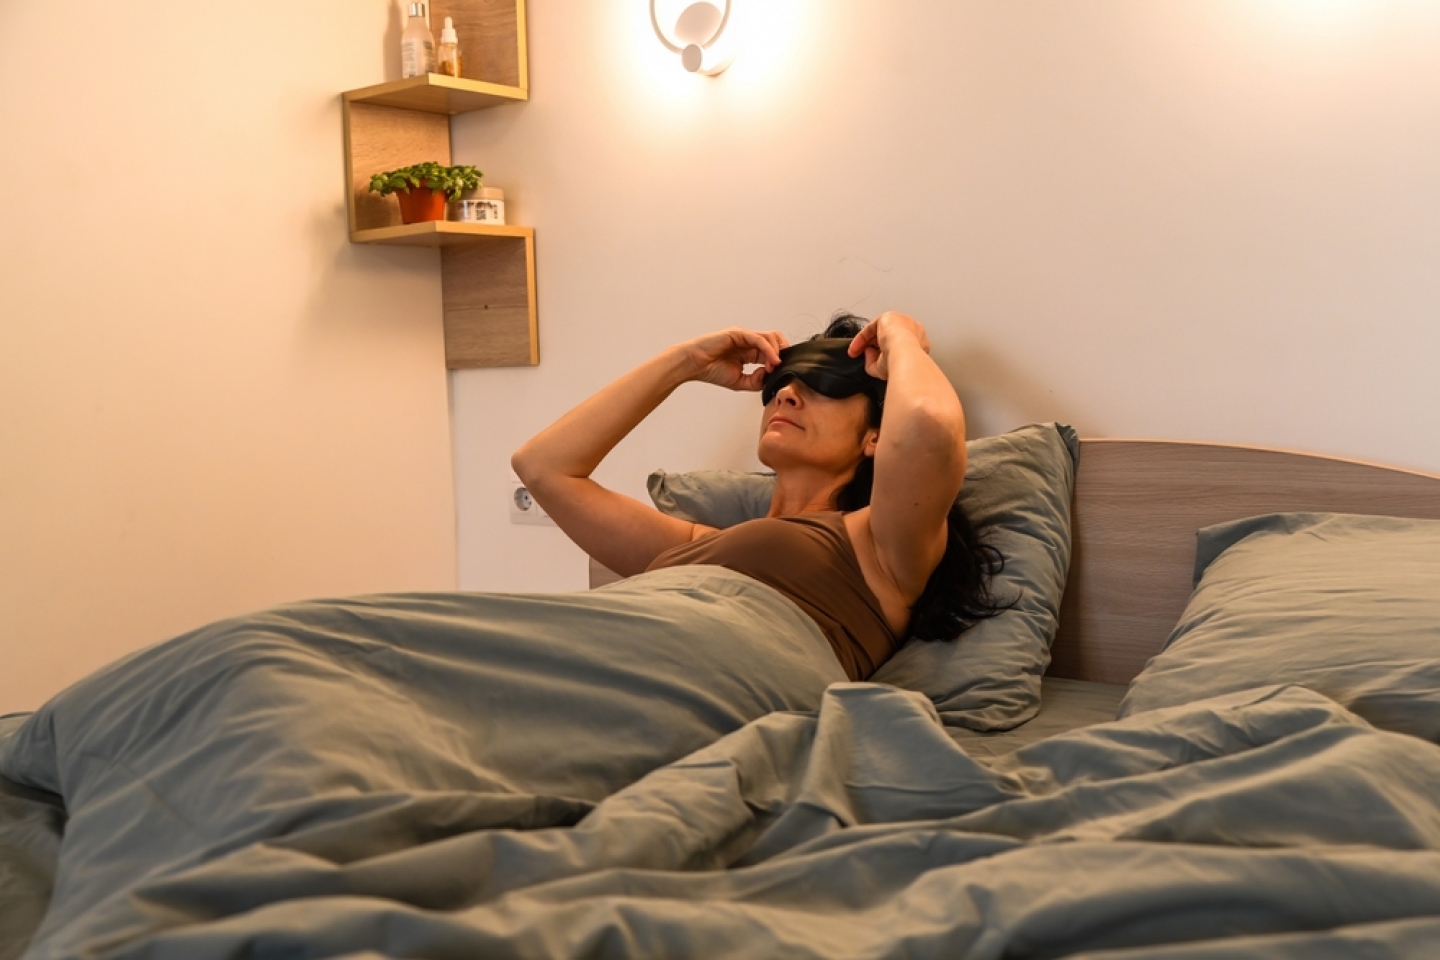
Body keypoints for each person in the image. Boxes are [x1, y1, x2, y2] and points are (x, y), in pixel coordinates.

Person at [512, 311, 1005, 682]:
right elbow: (542, 467)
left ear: (874, 436)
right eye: (780, 383)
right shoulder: (690, 544)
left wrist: (902, 337)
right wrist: (684, 362)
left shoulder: (881, 544)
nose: (787, 395)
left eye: (824, 384)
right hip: (617, 648)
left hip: (714, 677)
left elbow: (927, 423)